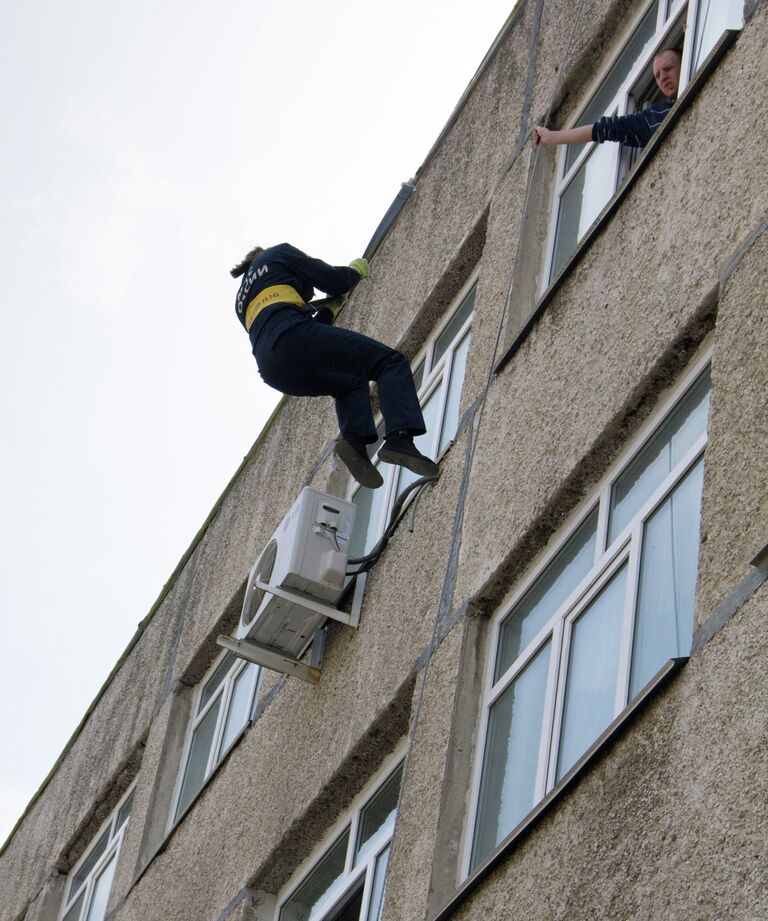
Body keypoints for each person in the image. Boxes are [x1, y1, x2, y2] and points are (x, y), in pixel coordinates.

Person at [232, 242, 439, 490]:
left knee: (350, 382)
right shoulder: (277, 252)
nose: (310, 294)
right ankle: (400, 438)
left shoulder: (241, 300)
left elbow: (280, 328)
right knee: (389, 362)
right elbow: (332, 281)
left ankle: (354, 443)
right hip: (293, 336)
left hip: (272, 370)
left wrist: (327, 313)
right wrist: (354, 272)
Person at [533, 48, 682, 150]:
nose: (662, 78)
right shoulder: (655, 116)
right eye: (657, 75)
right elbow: (605, 129)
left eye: (668, 69)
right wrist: (552, 137)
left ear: (684, 62)